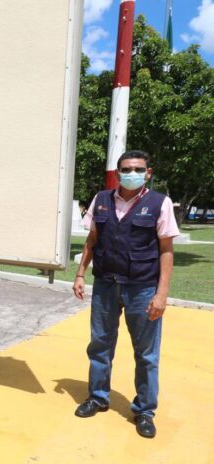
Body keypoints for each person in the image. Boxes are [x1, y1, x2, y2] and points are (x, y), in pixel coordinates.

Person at [72, 150, 179, 439]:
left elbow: (166, 250)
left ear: (148, 173)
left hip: (142, 288)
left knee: (146, 354)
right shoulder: (101, 199)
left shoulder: (159, 203)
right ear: (118, 173)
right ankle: (97, 397)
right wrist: (80, 273)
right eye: (127, 169)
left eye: (138, 169)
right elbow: (92, 240)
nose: (132, 173)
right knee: (100, 345)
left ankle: (145, 410)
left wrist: (161, 294)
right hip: (106, 285)